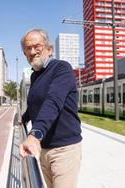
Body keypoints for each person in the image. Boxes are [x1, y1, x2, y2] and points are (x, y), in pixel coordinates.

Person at [19, 28, 82, 188]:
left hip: (64, 150)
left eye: (37, 46)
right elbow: (36, 103)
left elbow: (53, 101)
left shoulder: (62, 68)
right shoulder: (35, 75)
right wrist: (24, 118)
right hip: (44, 149)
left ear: (49, 49)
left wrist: (34, 135)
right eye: (28, 49)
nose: (32, 51)